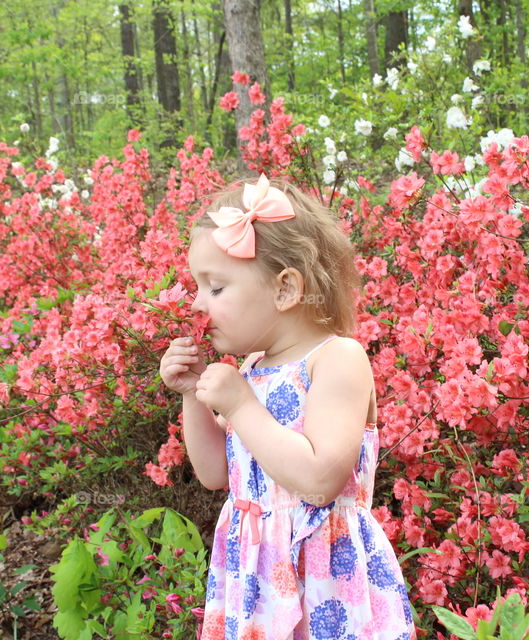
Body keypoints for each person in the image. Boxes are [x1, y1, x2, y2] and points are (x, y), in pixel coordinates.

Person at [159, 174, 417, 640]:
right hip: (256, 576)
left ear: (285, 290)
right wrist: (192, 396)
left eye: (215, 288)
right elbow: (218, 474)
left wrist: (240, 405)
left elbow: (320, 482)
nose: (197, 304)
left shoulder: (337, 359)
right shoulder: (254, 368)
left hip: (326, 579)